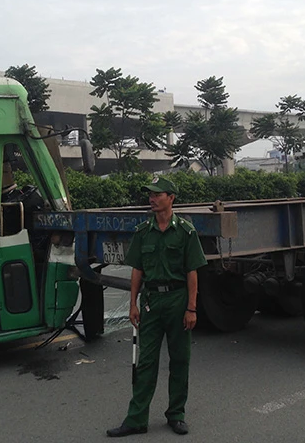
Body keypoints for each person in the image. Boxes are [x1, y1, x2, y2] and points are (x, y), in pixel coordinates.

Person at [107, 177, 207, 438]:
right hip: (151, 301)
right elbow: (137, 270)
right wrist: (132, 304)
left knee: (180, 360)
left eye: (157, 194)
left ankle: (176, 414)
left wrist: (192, 308)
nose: (151, 199)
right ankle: (136, 419)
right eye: (149, 195)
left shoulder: (186, 232)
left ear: (171, 197)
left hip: (177, 300)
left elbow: (192, 272)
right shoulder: (142, 232)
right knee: (146, 362)